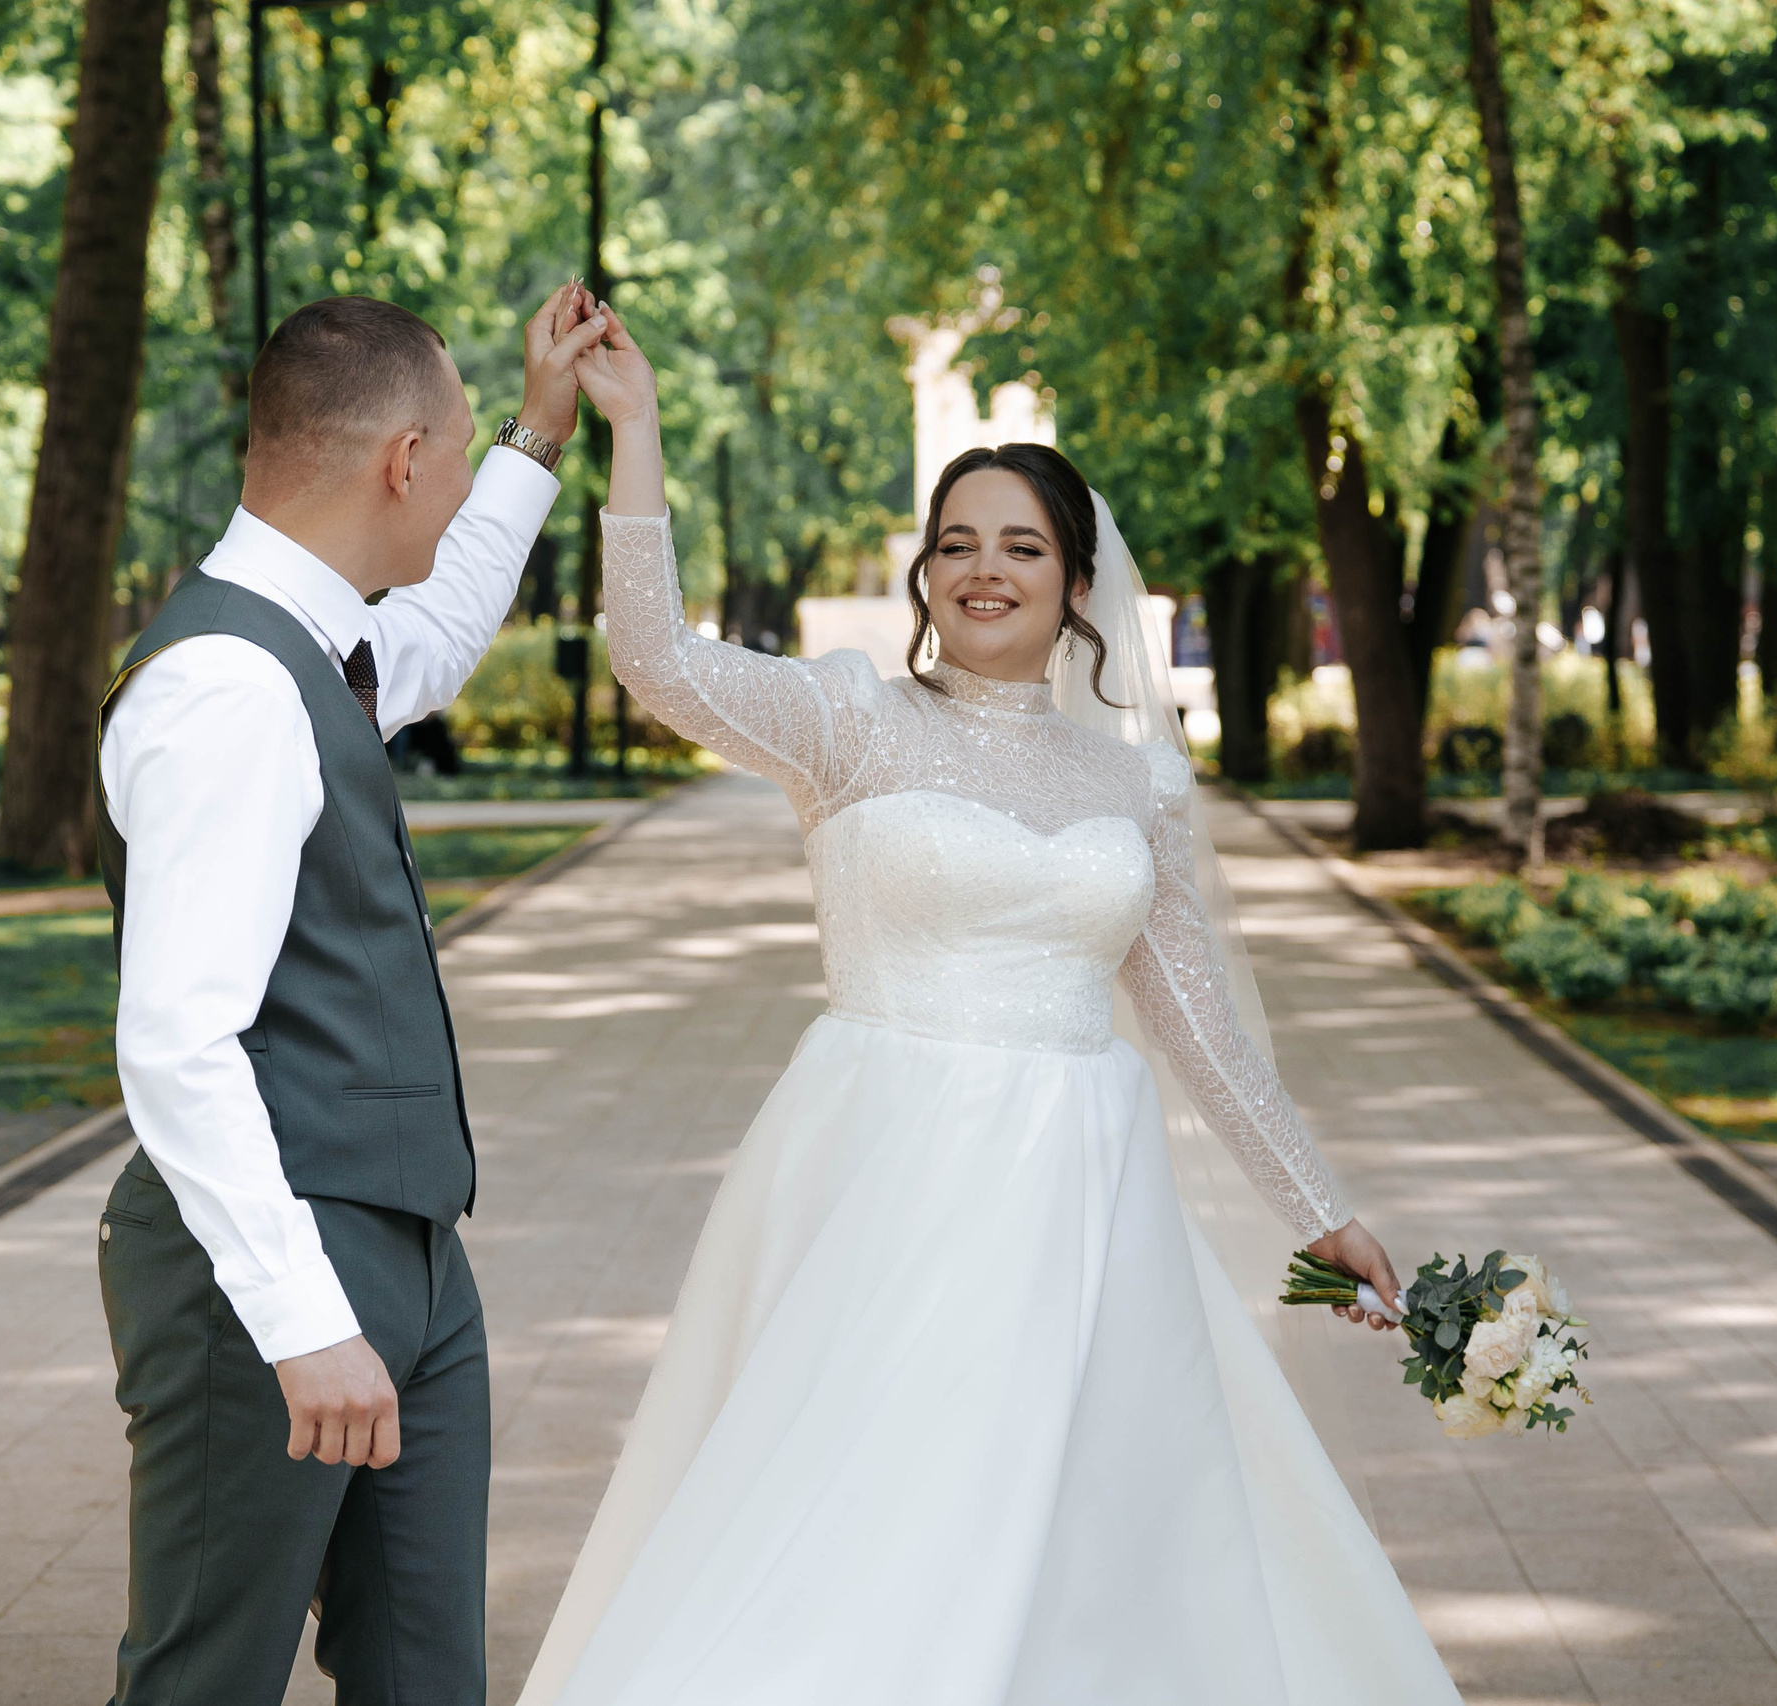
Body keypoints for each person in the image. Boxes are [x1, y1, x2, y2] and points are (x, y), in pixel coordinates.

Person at [519, 308, 1463, 1705]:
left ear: (1076, 581)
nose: (983, 569)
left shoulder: (1135, 785)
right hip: (881, 1171)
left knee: (1093, 1526)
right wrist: (635, 431)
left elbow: (1203, 1035)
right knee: (872, 1505)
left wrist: (1323, 1215)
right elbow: (655, 660)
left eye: (1021, 547)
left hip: (1087, 1193)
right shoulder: (851, 725)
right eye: (955, 542)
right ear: (924, 570)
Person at [93, 285, 608, 1706]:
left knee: (423, 1675)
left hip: (408, 1250)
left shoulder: (310, 645)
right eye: (459, 448)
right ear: (403, 460)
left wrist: (536, 435)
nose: (458, 480)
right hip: (268, 1260)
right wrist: (299, 1316)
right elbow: (178, 1038)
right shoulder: (228, 687)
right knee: (207, 1679)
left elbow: (433, 635)